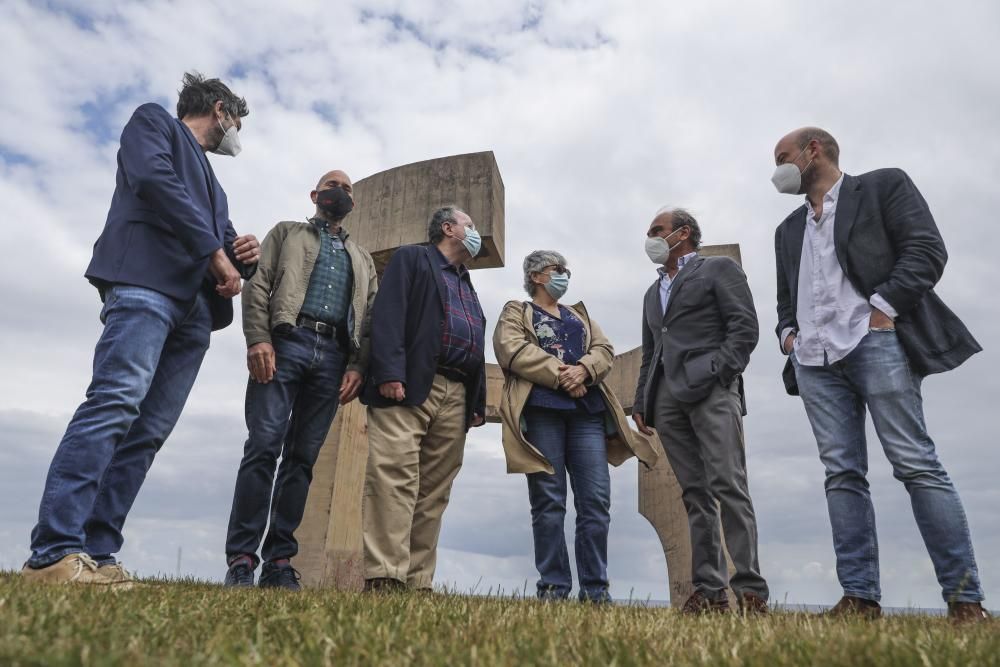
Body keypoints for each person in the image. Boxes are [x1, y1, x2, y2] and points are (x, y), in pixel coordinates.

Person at [21, 72, 258, 586]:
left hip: (195, 313)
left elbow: (226, 242)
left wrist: (244, 254)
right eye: (237, 121)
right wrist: (216, 252)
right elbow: (154, 181)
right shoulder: (154, 123)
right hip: (145, 284)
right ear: (220, 110)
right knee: (115, 402)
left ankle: (99, 553)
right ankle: (53, 551)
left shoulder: (216, 187)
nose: (237, 132)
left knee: (147, 432)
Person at [771, 127, 988, 622]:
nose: (777, 169)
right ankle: (860, 598)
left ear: (814, 151)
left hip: (875, 341)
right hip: (814, 361)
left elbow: (927, 250)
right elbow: (785, 297)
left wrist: (884, 309)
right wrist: (789, 334)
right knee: (841, 474)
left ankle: (965, 601)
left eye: (783, 157)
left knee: (915, 462)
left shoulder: (884, 185)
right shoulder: (787, 229)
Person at [223, 170, 378, 590]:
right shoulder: (286, 233)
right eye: (333, 186)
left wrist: (358, 366)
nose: (340, 193)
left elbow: (369, 321)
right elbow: (259, 283)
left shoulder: (362, 259)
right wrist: (258, 338)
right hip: (286, 342)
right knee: (263, 446)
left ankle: (279, 561)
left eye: (347, 189)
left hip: (332, 357)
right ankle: (240, 559)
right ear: (315, 194)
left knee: (302, 460)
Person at [493, 251, 658, 602]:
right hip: (542, 412)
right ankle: (553, 589)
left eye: (566, 270)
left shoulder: (578, 315)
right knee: (549, 501)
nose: (565, 275)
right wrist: (562, 376)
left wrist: (583, 370)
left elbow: (604, 349)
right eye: (558, 270)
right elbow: (511, 349)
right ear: (537, 276)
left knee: (596, 501)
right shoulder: (516, 311)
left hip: (587, 415)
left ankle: (596, 592)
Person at [633, 207, 769, 614]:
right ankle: (710, 592)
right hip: (667, 402)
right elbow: (650, 352)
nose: (650, 238)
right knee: (695, 494)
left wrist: (717, 372)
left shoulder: (718, 270)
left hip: (712, 391)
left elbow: (744, 328)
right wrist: (643, 400)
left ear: (683, 233)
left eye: (656, 230)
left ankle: (750, 590)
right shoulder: (650, 292)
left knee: (729, 485)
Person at [360, 205, 487, 592]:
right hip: (412, 383)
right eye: (470, 225)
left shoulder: (466, 282)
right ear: (448, 228)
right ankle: (385, 574)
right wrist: (390, 372)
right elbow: (388, 314)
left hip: (457, 393)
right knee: (394, 477)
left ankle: (417, 581)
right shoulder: (413, 258)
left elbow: (474, 339)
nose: (475, 231)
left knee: (433, 492)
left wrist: (476, 402)